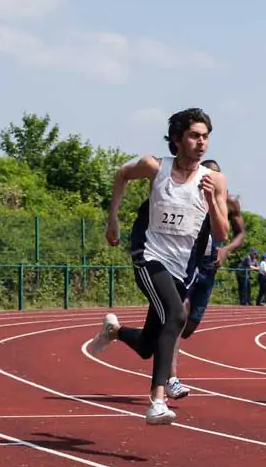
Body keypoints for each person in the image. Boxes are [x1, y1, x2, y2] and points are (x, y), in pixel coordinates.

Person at [87, 108, 229, 425]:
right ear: (177, 138)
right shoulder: (155, 167)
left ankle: (115, 331)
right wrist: (113, 219)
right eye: (194, 135)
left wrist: (210, 202)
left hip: (181, 269)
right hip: (149, 255)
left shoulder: (214, 181)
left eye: (206, 136)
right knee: (177, 316)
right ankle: (158, 401)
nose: (201, 143)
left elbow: (221, 234)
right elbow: (122, 174)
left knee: (148, 346)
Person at [142, 158, 245, 400]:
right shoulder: (181, 193)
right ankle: (171, 379)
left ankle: (152, 340)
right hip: (185, 263)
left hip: (209, 267)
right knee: (178, 317)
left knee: (187, 327)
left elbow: (240, 233)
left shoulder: (229, 202)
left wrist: (226, 249)